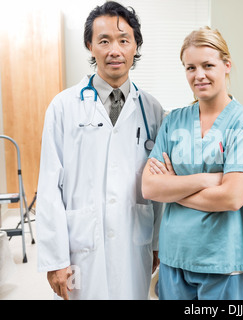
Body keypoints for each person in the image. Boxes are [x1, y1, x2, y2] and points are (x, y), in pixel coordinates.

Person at [36, 1, 164, 300]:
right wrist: (56, 259)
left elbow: (159, 187)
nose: (114, 50)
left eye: (123, 40)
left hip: (135, 241)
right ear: (90, 46)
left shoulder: (153, 110)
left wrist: (158, 242)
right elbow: (49, 185)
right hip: (82, 246)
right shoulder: (64, 107)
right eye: (104, 41)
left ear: (135, 46)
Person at [141, 27, 243, 300]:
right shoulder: (173, 121)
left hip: (225, 258)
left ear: (226, 65)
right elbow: (150, 187)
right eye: (190, 67)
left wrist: (174, 188)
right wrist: (208, 179)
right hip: (175, 256)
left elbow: (232, 198)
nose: (199, 75)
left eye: (208, 65)